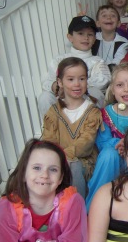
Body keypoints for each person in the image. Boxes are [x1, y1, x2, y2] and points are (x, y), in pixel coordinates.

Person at [85, 62, 128, 211]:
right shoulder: (106, 113)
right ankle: (94, 207)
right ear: (112, 89)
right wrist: (120, 144)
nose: (126, 89)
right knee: (109, 155)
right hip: (114, 158)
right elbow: (102, 141)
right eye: (120, 85)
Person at [41, 57, 102, 199]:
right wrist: (56, 158)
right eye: (70, 79)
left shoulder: (92, 111)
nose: (77, 84)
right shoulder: (54, 111)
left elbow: (85, 143)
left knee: (72, 164)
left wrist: (62, 156)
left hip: (84, 163)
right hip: (58, 160)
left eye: (82, 79)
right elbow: (49, 140)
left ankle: (77, 206)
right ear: (60, 82)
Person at [37, 15, 111, 118]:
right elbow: (47, 81)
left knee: (95, 92)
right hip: (62, 101)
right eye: (80, 33)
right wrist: (55, 86)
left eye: (90, 34)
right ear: (70, 37)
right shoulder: (59, 60)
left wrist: (74, 88)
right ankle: (54, 126)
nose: (86, 38)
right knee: (45, 97)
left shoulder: (98, 62)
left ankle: (89, 126)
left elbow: (102, 82)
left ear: (94, 39)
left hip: (85, 102)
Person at [91, 5, 128, 72]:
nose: (108, 17)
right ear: (98, 23)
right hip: (93, 73)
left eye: (113, 15)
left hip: (113, 74)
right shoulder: (93, 38)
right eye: (104, 15)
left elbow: (117, 63)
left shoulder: (123, 42)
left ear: (118, 23)